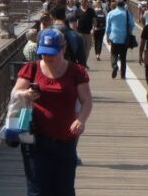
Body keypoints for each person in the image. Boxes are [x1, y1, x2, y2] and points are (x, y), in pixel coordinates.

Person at [12, 28, 93, 196]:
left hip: (65, 140)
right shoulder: (31, 69)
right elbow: (15, 93)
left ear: (63, 49)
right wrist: (25, 94)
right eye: (44, 53)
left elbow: (86, 100)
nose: (48, 57)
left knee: (64, 190)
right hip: (35, 139)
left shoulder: (76, 71)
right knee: (37, 191)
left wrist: (81, 120)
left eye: (53, 53)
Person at [105, 0, 135, 79]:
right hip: (124, 38)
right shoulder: (126, 13)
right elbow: (132, 24)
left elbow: (108, 27)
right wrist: (129, 32)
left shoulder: (111, 13)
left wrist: (107, 35)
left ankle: (114, 66)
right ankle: (123, 75)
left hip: (114, 37)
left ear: (117, 5)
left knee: (113, 54)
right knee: (123, 57)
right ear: (124, 5)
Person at [49, 2, 87, 67]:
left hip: (49, 70)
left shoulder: (42, 34)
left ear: (51, 16)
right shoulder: (77, 36)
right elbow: (82, 62)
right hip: (69, 70)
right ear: (65, 16)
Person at [76, 0, 97, 65]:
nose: (83, 2)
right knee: (80, 47)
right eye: (81, 1)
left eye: (84, 1)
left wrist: (93, 28)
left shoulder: (91, 11)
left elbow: (94, 20)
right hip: (79, 32)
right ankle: (81, 62)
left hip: (88, 32)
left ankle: (84, 62)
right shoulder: (78, 11)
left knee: (88, 48)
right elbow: (75, 21)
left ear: (87, 2)